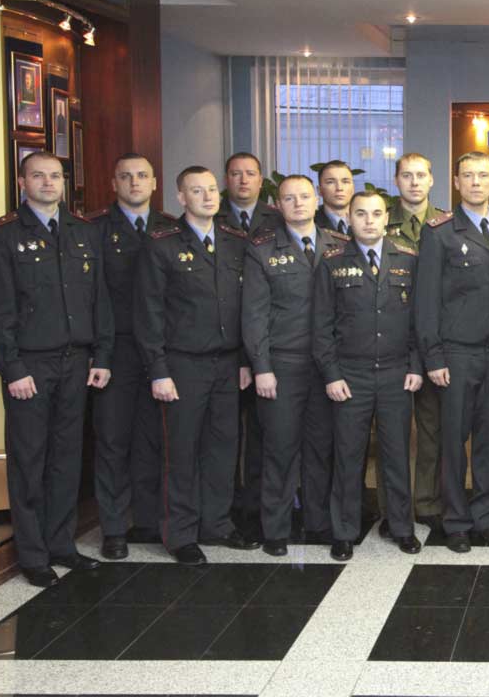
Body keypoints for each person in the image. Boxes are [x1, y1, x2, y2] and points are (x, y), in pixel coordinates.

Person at [0, 152, 114, 587]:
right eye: (38, 176)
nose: (48, 183)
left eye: (55, 176)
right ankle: (33, 554)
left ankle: (62, 544)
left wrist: (102, 355)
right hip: (30, 366)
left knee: (66, 458)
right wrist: (12, 368)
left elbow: (99, 299)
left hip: (76, 362)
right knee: (29, 460)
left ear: (64, 182)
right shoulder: (3, 235)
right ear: (22, 182)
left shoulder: (83, 231)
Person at [134, 166, 260, 565]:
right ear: (181, 197)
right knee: (181, 452)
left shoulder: (235, 242)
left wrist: (245, 360)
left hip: (227, 364)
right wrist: (158, 370)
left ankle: (217, 524)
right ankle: (181, 534)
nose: (207, 197)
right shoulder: (162, 244)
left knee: (223, 449)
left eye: (211, 189)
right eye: (196, 190)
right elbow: (149, 312)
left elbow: (246, 309)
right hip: (181, 365)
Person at [415, 151, 489, 552]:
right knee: (453, 441)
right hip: (456, 355)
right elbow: (426, 301)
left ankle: (486, 517)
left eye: (483, 175)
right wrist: (433, 356)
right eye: (468, 176)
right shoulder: (440, 232)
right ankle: (456, 521)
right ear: (457, 182)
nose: (476, 182)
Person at [314, 190, 423, 559]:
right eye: (361, 213)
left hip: (396, 374)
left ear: (386, 217)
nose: (369, 220)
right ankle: (344, 531)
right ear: (349, 216)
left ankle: (402, 527)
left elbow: (418, 320)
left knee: (397, 454)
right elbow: (321, 325)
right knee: (348, 455)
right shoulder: (331, 261)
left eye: (376, 213)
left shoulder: (407, 258)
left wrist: (416, 366)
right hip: (350, 375)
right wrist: (331, 374)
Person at [242, 175, 346, 555]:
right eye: (289, 198)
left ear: (316, 199)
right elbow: (254, 314)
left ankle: (318, 523)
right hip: (283, 364)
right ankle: (276, 528)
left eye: (304, 196)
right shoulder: (262, 249)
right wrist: (261, 366)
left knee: (320, 448)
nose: (298, 203)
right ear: (278, 205)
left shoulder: (340, 245)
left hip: (327, 368)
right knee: (280, 448)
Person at [86, 153, 177, 560]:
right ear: (114, 183)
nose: (135, 182)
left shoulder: (171, 228)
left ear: (155, 183)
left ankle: (147, 520)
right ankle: (113, 528)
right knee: (112, 440)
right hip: (117, 348)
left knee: (154, 439)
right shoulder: (95, 230)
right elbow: (92, 296)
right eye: (126, 176)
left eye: (142, 175)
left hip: (160, 351)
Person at [219, 152, 282, 534]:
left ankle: (257, 507)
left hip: (263, 349)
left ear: (261, 180)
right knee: (224, 435)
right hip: (222, 344)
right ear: (225, 179)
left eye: (250, 174)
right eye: (235, 173)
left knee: (262, 433)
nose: (243, 180)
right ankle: (224, 507)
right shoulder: (211, 216)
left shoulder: (277, 219)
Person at [386, 152, 448, 530]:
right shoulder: (379, 220)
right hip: (390, 339)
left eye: (420, 175)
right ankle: (392, 509)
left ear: (431, 180)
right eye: (406, 175)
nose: (414, 182)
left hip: (432, 339)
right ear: (396, 180)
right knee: (391, 434)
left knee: (432, 429)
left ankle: (427, 503)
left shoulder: (446, 224)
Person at [315, 159, 354, 234]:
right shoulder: (309, 223)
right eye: (330, 182)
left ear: (353, 188)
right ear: (319, 190)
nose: (339, 188)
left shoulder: (366, 220)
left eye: (345, 182)